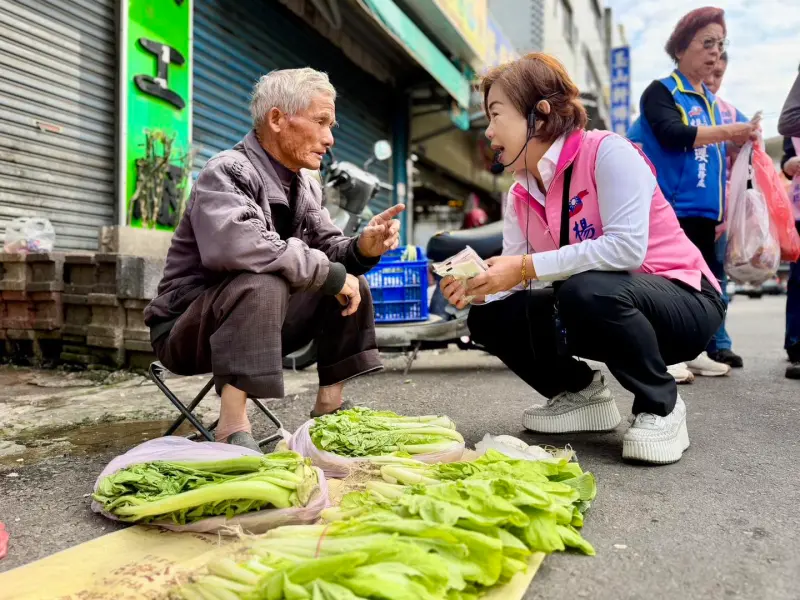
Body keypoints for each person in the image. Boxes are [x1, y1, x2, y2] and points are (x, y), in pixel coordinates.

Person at [441, 53, 724, 465]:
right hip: (598, 305)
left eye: (496, 114)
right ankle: (580, 394)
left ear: (538, 115)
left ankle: (660, 406)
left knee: (586, 288)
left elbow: (627, 249)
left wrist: (522, 268)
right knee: (489, 316)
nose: (488, 131)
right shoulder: (519, 193)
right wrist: (479, 288)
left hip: (684, 302)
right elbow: (518, 274)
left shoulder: (608, 152)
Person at [144, 68, 404, 451]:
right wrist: (327, 275)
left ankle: (328, 412)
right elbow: (239, 247)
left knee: (350, 281)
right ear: (278, 119)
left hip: (261, 323)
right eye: (320, 122)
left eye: (331, 125)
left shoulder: (304, 185)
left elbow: (329, 248)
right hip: (187, 327)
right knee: (263, 279)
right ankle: (232, 425)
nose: (330, 138)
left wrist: (363, 248)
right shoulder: (227, 171)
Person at [636, 7, 758, 378]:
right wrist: (729, 133)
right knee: (667, 285)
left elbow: (726, 153)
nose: (715, 52)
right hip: (670, 210)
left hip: (706, 214)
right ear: (680, 48)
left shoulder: (713, 104)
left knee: (702, 286)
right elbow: (673, 134)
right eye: (707, 43)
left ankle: (694, 349)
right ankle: (663, 355)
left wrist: (741, 142)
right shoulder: (662, 91)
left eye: (720, 44)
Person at [701, 51, 749, 369]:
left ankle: (718, 343)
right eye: (708, 71)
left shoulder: (730, 113)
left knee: (717, 279)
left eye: (719, 74)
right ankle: (686, 344)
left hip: (719, 214)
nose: (712, 79)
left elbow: (743, 163)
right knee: (682, 278)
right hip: (682, 211)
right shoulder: (675, 106)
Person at [780, 135, 800, 380]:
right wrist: (789, 165)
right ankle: (796, 342)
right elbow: (786, 164)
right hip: (798, 211)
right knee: (798, 280)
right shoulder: (794, 125)